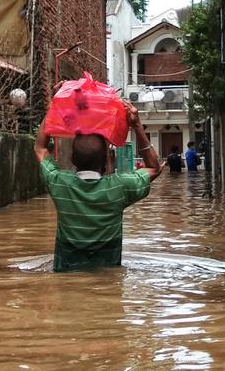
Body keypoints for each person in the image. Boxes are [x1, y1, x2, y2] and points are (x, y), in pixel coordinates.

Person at [33, 102, 162, 272]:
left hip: (65, 283)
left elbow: (40, 148)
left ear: (72, 158)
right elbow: (154, 167)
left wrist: (54, 108)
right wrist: (136, 125)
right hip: (109, 284)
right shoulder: (120, 187)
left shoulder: (59, 182)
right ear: (107, 159)